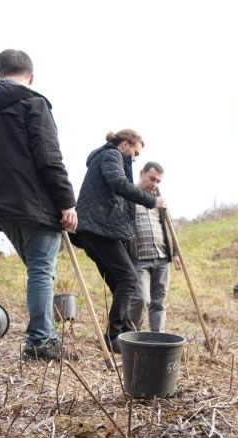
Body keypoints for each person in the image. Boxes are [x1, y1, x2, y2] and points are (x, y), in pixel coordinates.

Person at [0, 49, 78, 361]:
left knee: (39, 270)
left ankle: (46, 335)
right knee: (42, 271)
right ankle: (41, 341)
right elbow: (49, 157)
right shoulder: (32, 102)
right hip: (35, 202)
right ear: (30, 76)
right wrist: (67, 202)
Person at [71, 130, 166, 351]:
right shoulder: (111, 155)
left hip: (95, 229)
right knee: (129, 278)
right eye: (135, 152)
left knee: (118, 282)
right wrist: (153, 201)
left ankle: (123, 333)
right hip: (98, 229)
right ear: (125, 144)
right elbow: (119, 184)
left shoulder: (106, 157)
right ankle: (115, 335)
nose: (134, 158)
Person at [128, 161, 181, 333]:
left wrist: (175, 253)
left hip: (162, 259)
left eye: (158, 181)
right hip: (139, 259)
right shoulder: (129, 197)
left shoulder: (161, 201)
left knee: (159, 301)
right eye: (152, 179)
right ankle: (133, 336)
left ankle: (157, 338)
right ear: (141, 173)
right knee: (141, 299)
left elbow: (168, 227)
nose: (154, 184)